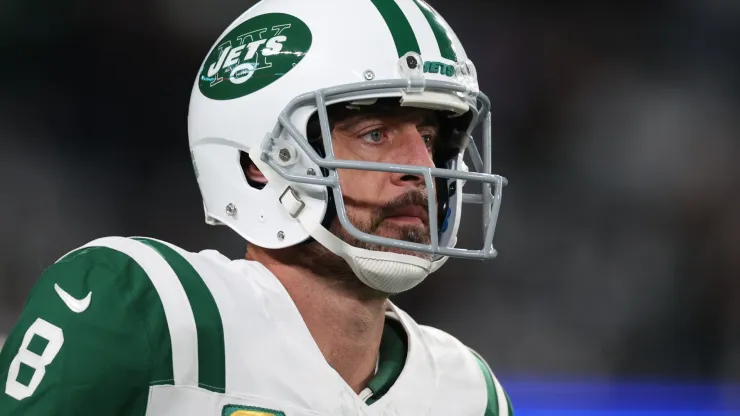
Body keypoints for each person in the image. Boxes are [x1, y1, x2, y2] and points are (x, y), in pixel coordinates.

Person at [0, 0, 512, 414]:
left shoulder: (467, 392)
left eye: (429, 137)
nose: (421, 167)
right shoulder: (146, 310)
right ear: (258, 163)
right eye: (375, 134)